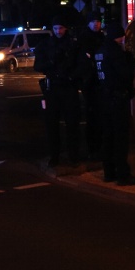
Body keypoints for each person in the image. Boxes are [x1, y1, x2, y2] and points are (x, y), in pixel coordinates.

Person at [33, 14, 83, 167]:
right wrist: (51, 62)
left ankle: (73, 155)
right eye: (55, 28)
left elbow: (81, 65)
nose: (58, 31)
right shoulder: (46, 45)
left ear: (65, 28)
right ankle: (55, 156)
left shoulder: (73, 44)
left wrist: (71, 76)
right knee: (52, 124)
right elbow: (38, 66)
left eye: (60, 28)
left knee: (72, 123)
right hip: (53, 87)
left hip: (68, 87)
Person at [95, 22, 135, 185]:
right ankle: (123, 174)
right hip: (118, 98)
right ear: (118, 36)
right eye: (121, 37)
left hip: (104, 98)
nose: (123, 40)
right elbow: (125, 75)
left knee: (108, 137)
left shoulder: (100, 51)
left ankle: (109, 172)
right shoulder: (116, 52)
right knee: (121, 137)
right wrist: (130, 62)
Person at [76, 12, 105, 159]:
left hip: (101, 81)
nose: (96, 24)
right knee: (92, 115)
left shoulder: (102, 37)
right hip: (90, 82)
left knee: (101, 116)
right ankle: (93, 148)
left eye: (98, 21)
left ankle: (99, 147)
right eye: (93, 21)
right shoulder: (84, 39)